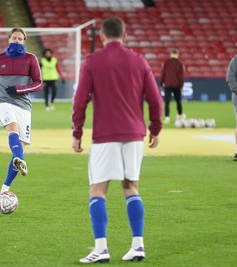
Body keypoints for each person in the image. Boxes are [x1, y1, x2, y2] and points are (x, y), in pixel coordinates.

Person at [72, 17, 163, 263]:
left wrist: (77, 133)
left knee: (98, 190)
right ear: (124, 36)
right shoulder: (139, 61)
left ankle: (101, 248)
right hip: (134, 134)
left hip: (105, 135)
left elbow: (80, 101)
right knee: (130, 187)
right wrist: (155, 128)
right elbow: (155, 99)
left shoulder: (93, 62)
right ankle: (138, 245)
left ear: (102, 37)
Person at [0, 28, 42, 193]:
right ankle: (20, 160)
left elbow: (38, 83)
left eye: (20, 39)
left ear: (24, 41)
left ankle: (5, 188)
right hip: (4, 102)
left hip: (24, 105)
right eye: (14, 38)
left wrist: (20, 89)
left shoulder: (31, 59)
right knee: (12, 127)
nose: (17, 41)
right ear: (9, 39)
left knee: (20, 146)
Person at [160, 48, 185, 124]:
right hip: (177, 85)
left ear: (171, 54)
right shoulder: (180, 63)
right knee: (178, 101)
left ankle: (167, 118)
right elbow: (181, 76)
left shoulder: (166, 62)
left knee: (167, 102)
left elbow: (163, 74)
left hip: (168, 85)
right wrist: (181, 86)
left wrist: (161, 84)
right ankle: (180, 116)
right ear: (177, 55)